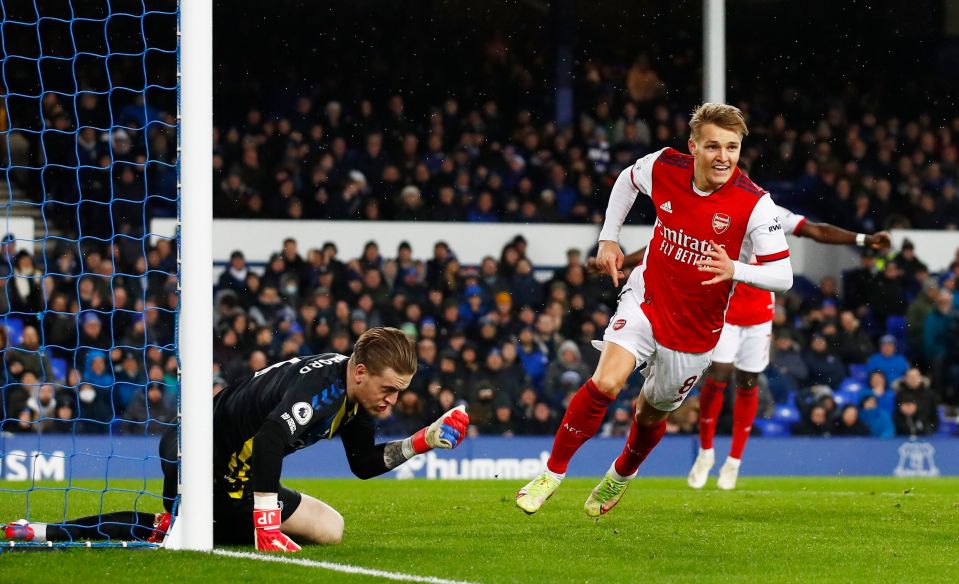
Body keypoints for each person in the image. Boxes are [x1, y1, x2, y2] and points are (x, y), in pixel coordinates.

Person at [515, 103, 794, 517]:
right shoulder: (664, 165)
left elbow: (783, 276)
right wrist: (609, 238)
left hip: (696, 332)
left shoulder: (755, 204)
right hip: (647, 297)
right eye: (714, 146)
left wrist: (736, 268)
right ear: (693, 146)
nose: (723, 157)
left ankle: (621, 474)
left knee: (648, 413)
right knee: (607, 382)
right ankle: (551, 474)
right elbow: (627, 181)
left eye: (732, 148)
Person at [5, 327, 469, 551]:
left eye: (399, 393)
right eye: (389, 389)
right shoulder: (324, 390)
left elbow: (364, 464)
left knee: (330, 528)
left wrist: (424, 440)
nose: (392, 400)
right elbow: (269, 440)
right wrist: (266, 525)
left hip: (238, 468)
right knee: (179, 533)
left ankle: (216, 521)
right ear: (362, 371)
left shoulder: (357, 395)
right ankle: (43, 531)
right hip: (199, 457)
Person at [595, 208, 890, 489]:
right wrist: (627, 261)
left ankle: (734, 460)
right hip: (724, 312)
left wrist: (863, 239)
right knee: (720, 373)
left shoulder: (767, 211)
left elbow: (813, 230)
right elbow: (664, 243)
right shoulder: (712, 213)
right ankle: (706, 450)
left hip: (759, 316)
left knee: (748, 380)